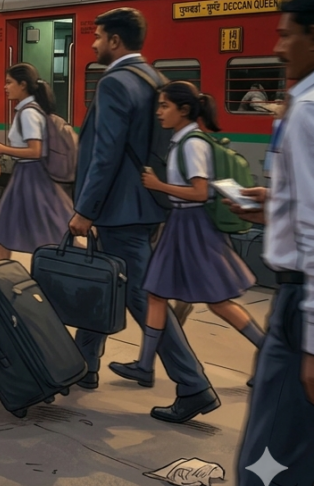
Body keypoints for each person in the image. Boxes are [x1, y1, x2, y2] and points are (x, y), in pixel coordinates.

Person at [68, 7, 216, 422]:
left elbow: (106, 154)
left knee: (138, 295)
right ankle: (85, 364)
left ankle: (192, 384)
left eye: (97, 37)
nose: (94, 44)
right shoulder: (154, 78)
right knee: (103, 284)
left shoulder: (116, 82)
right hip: (145, 204)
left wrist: (84, 209)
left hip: (120, 209)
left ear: (115, 41)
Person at [110, 81, 264, 388]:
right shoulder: (182, 140)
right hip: (181, 225)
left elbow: (200, 192)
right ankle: (144, 365)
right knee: (156, 293)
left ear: (184, 110)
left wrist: (159, 186)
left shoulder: (193, 144)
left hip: (193, 228)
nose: (159, 112)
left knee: (218, 301)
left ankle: (270, 356)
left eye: (165, 106)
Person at [228, 0, 314, 486]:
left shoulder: (305, 110)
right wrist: (276, 204)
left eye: (286, 35)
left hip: (299, 306)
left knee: (267, 470)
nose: (278, 48)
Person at [0, 63, 73, 259]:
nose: (5, 87)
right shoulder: (32, 109)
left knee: (30, 230)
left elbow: (35, 151)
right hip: (29, 174)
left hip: (30, 175)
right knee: (10, 230)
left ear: (22, 84)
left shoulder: (28, 113)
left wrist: (3, 149)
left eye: (9, 83)